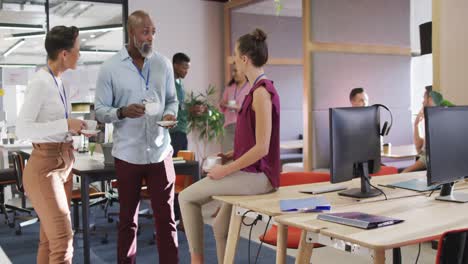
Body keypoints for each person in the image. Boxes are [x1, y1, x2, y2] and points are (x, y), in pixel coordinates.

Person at [179, 28, 280, 264]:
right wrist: (231, 154)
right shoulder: (257, 90)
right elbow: (255, 141)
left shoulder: (261, 93)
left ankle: (196, 261)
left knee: (186, 197)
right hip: (252, 172)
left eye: (236, 56)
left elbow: (263, 147)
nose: (235, 61)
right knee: (219, 224)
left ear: (245, 59)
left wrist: (224, 170)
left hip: (259, 177)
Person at [94, 10, 179, 263]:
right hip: (128, 154)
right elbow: (100, 111)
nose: (151, 37)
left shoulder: (163, 63)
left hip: (160, 152)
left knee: (166, 219)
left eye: (153, 32)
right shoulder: (110, 68)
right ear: (132, 34)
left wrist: (171, 115)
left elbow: (173, 101)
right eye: (145, 32)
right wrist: (122, 111)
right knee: (128, 220)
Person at [16, 26, 87, 264]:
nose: (80, 54)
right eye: (78, 49)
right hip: (45, 168)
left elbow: (56, 126)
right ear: (64, 54)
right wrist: (65, 123)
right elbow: (23, 129)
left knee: (50, 240)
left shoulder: (59, 82)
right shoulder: (40, 82)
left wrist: (71, 131)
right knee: (63, 241)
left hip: (62, 164)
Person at [402, 85, 435, 173]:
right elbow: (419, 148)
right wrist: (416, 125)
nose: (423, 102)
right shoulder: (429, 119)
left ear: (431, 99)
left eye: (424, 98)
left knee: (403, 173)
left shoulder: (435, 122)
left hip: (428, 163)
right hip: (425, 161)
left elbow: (424, 156)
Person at [219, 64, 251, 152]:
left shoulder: (250, 87)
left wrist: (239, 107)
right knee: (227, 154)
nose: (234, 73)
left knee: (242, 154)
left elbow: (253, 109)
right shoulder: (229, 87)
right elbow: (221, 107)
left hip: (244, 126)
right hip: (229, 125)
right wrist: (222, 104)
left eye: (236, 71)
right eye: (233, 71)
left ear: (244, 72)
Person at [170, 52, 191, 157]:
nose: (186, 71)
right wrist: (189, 109)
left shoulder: (180, 84)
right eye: (184, 67)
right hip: (173, 132)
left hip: (182, 130)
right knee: (172, 166)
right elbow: (173, 106)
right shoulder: (168, 84)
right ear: (175, 66)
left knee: (183, 166)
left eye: (188, 68)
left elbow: (181, 106)